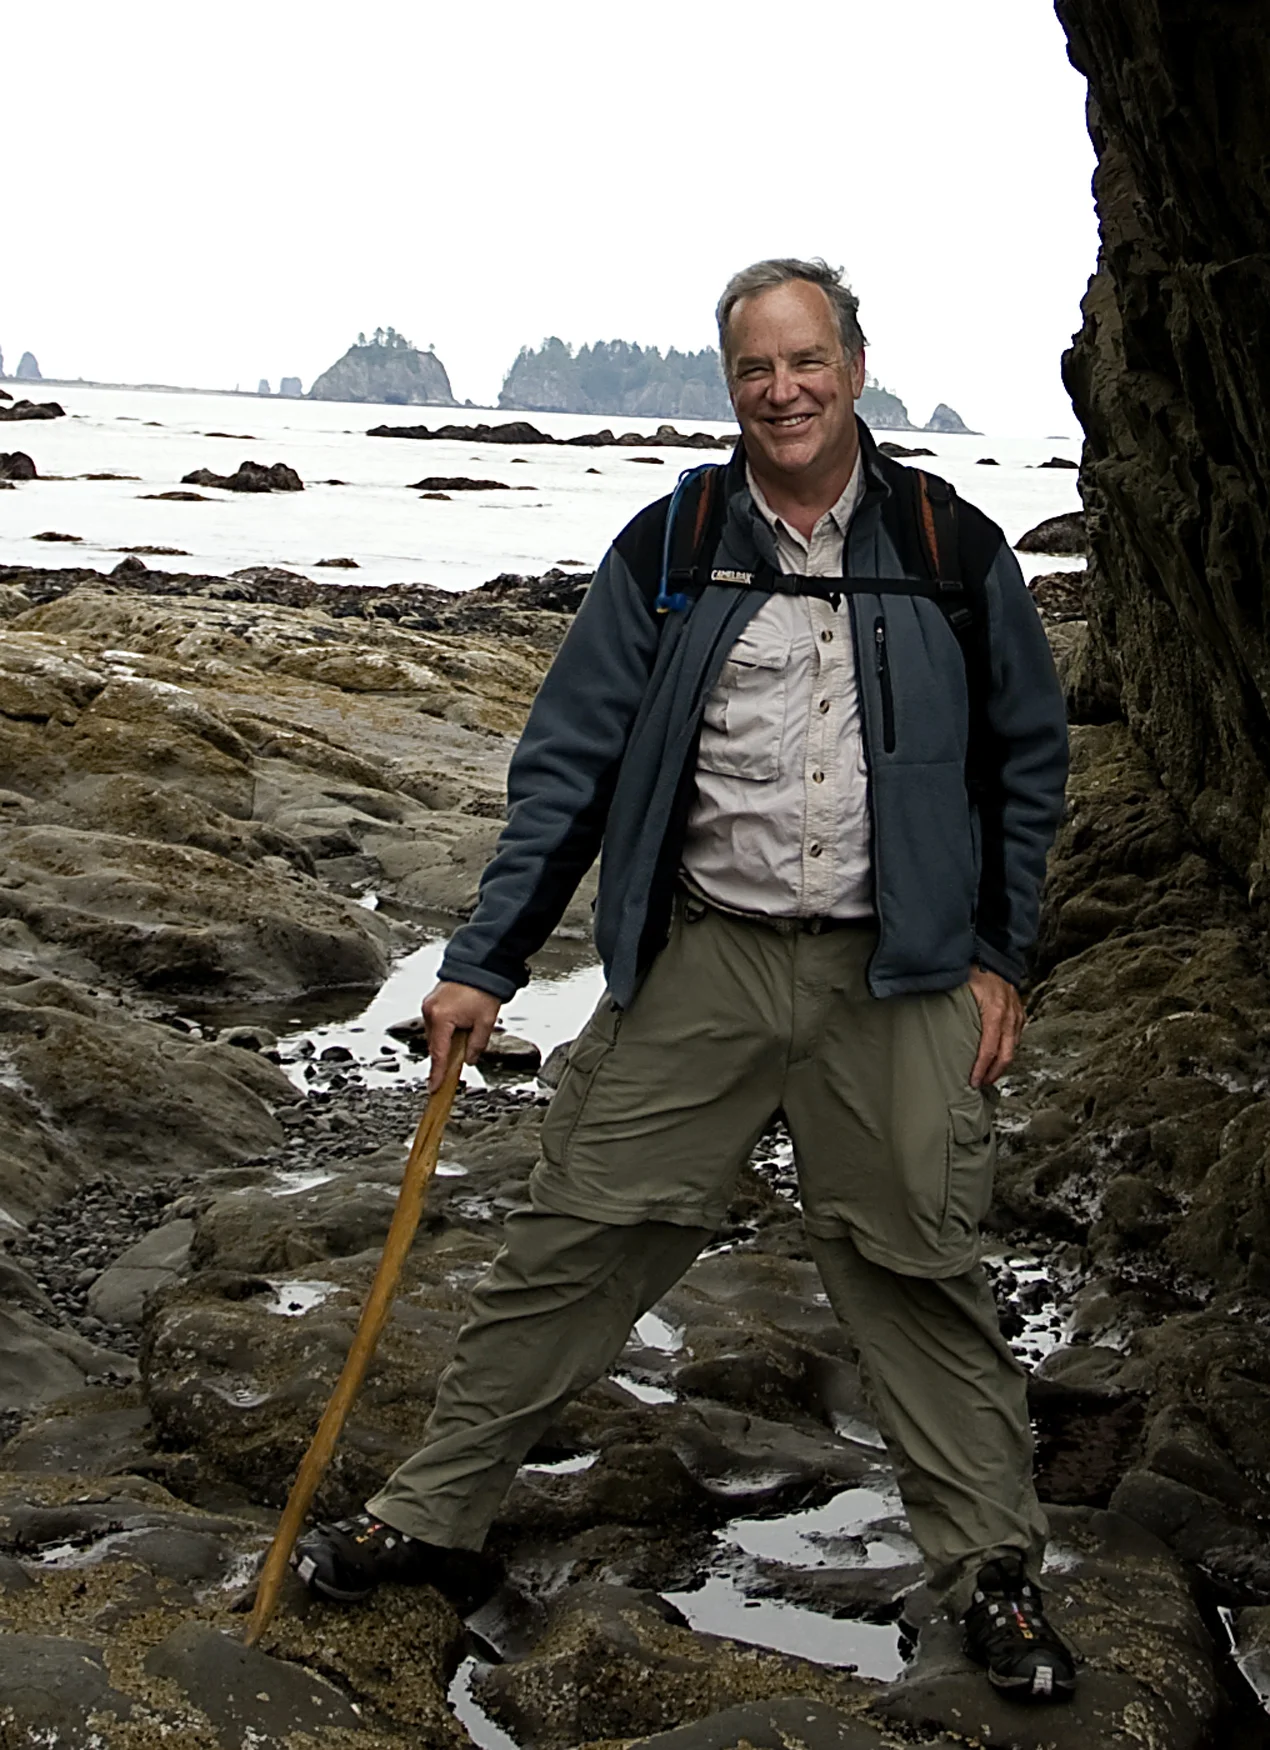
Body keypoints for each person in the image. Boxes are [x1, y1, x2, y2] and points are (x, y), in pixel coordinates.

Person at [294, 258, 1074, 1702]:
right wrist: (485, 961)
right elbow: (569, 766)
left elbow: (1026, 764)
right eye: (753, 370)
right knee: (572, 1237)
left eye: (804, 361)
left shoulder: (948, 546)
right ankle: (432, 1512)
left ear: (853, 364)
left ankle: (989, 1576)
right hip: (701, 957)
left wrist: (993, 954)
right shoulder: (671, 544)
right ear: (731, 387)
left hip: (891, 977)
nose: (782, 390)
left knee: (921, 1276)